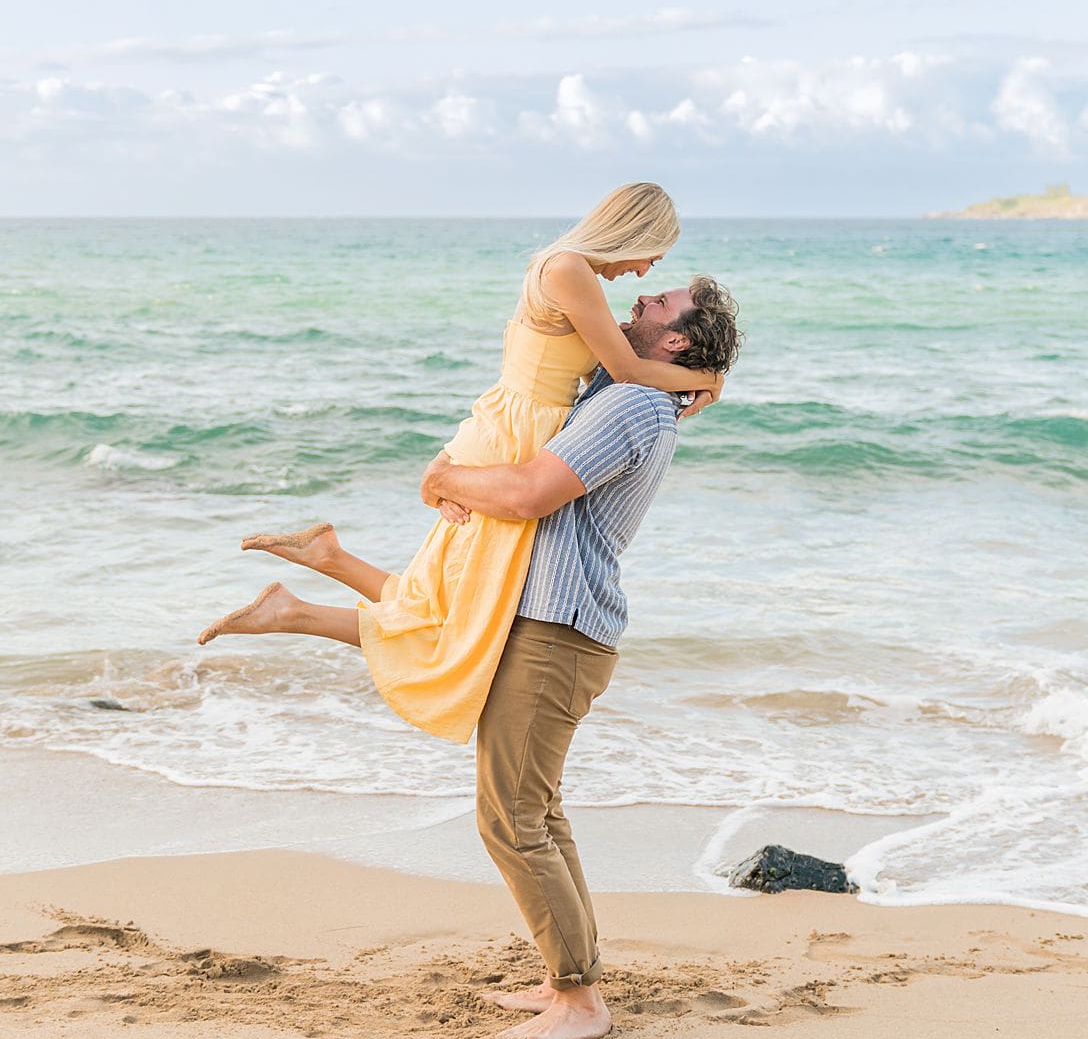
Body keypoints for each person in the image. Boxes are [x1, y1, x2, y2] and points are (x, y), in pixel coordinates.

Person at [197, 275, 743, 1039]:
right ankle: (568, 975)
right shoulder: (630, 385)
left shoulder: (629, 402)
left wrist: (446, 478)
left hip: (558, 629)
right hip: (555, 622)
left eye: (663, 301)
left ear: (679, 336)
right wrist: (706, 377)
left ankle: (581, 1000)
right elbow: (562, 364)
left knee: (511, 819)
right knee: (538, 812)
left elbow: (527, 492)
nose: (643, 297)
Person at [198, 184, 722, 747]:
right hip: (513, 441)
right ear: (634, 232)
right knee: (462, 614)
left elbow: (625, 378)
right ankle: (297, 609)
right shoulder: (569, 270)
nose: (644, 274)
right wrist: (707, 382)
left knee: (447, 597)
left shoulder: (576, 276)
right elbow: (625, 371)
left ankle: (322, 568)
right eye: (653, 256)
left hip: (514, 432)